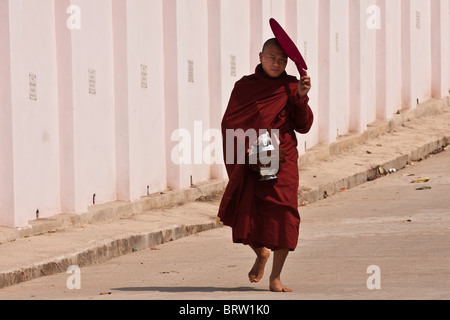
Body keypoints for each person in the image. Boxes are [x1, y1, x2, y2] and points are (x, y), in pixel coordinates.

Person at [218, 38, 314, 292]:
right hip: (254, 152)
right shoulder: (244, 87)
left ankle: (276, 277)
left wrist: (301, 99)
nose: (277, 63)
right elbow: (230, 122)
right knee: (247, 208)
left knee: (285, 211)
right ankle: (261, 252)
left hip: (282, 153)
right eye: (272, 57)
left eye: (282, 60)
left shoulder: (292, 86)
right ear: (260, 56)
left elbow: (303, 126)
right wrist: (244, 146)